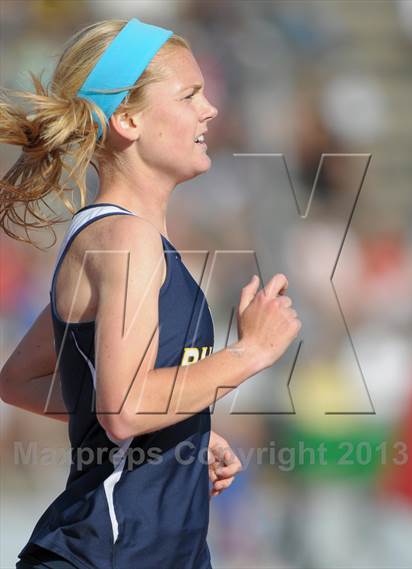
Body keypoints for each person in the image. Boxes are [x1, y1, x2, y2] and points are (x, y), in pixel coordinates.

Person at [0, 18, 301, 569]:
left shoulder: (115, 238)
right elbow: (125, 406)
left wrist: (180, 430)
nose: (209, 109)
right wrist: (249, 353)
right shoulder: (127, 240)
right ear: (128, 118)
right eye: (189, 95)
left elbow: (22, 380)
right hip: (109, 552)